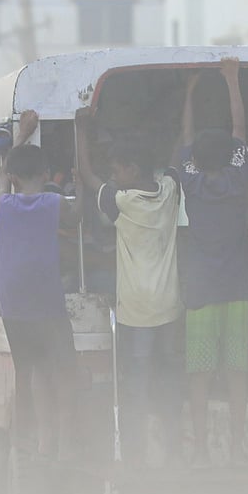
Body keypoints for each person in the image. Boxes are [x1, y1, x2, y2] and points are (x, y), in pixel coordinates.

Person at [75, 107, 184, 467]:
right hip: (168, 306)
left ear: (132, 170)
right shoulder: (169, 192)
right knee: (168, 373)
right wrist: (188, 97)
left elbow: (88, 176)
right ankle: (171, 441)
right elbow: (177, 156)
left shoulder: (123, 201)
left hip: (136, 309)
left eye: (118, 168)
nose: (114, 174)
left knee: (136, 377)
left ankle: (136, 449)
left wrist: (79, 129)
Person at [176, 57, 248, 466]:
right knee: (237, 373)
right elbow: (239, 128)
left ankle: (203, 449)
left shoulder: (191, 182)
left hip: (200, 294)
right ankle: (239, 446)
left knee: (199, 376)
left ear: (196, 160)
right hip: (237, 290)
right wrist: (232, 80)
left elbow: (185, 137)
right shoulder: (238, 179)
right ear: (231, 155)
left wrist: (189, 92)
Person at [0, 109, 79, 464]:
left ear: (14, 179)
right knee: (63, 371)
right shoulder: (54, 202)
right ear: (46, 175)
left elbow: (1, 174)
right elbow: (77, 220)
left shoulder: (4, 204)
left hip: (12, 303)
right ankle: (61, 440)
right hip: (45, 301)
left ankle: (28, 440)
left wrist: (21, 135)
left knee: (28, 371)